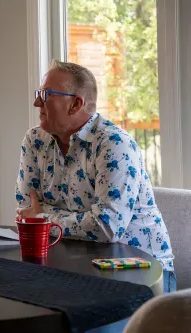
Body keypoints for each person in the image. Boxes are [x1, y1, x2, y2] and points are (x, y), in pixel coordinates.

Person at [15, 60, 175, 292]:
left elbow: (105, 227)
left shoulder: (114, 144)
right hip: (73, 268)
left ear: (75, 104)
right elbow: (25, 209)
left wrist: (44, 216)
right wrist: (45, 216)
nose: (36, 102)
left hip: (142, 275)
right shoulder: (35, 140)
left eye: (45, 94)